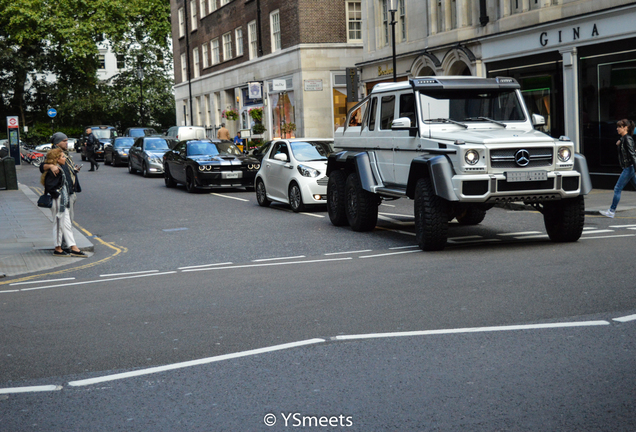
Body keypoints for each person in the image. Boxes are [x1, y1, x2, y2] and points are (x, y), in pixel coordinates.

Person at [41, 148, 87, 258]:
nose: (64, 158)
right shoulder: (55, 170)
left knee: (66, 225)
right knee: (58, 225)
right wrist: (57, 195)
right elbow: (49, 186)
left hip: (63, 200)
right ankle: (57, 248)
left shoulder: (60, 167)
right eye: (62, 157)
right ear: (56, 159)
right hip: (58, 200)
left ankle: (73, 247)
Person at [600, 119, 636, 218]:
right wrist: (620, 141)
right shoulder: (625, 138)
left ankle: (611, 211)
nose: (617, 129)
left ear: (625, 128)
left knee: (617, 188)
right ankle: (611, 211)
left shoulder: (627, 139)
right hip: (629, 167)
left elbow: (633, 155)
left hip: (629, 168)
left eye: (619, 127)